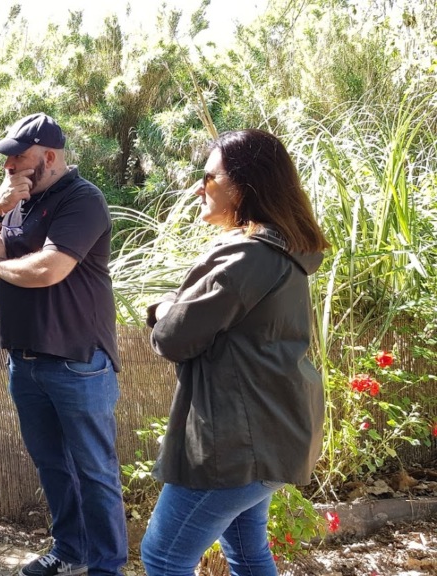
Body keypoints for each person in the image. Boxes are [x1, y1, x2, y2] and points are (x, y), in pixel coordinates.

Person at [140, 129, 330, 576]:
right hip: (269, 437)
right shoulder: (285, 253)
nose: (199, 188)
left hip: (234, 448)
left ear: (246, 185)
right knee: (247, 553)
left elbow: (173, 337)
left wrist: (164, 308)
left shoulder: (246, 257)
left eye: (210, 177)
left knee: (163, 557)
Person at [0, 112, 127, 576]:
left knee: (95, 472)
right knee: (52, 466)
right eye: (6, 160)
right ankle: (70, 552)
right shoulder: (13, 202)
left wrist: (0, 264)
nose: (9, 167)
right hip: (25, 362)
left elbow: (48, 270)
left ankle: (107, 568)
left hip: (79, 362)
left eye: (18, 158)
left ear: (49, 157)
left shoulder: (82, 199)